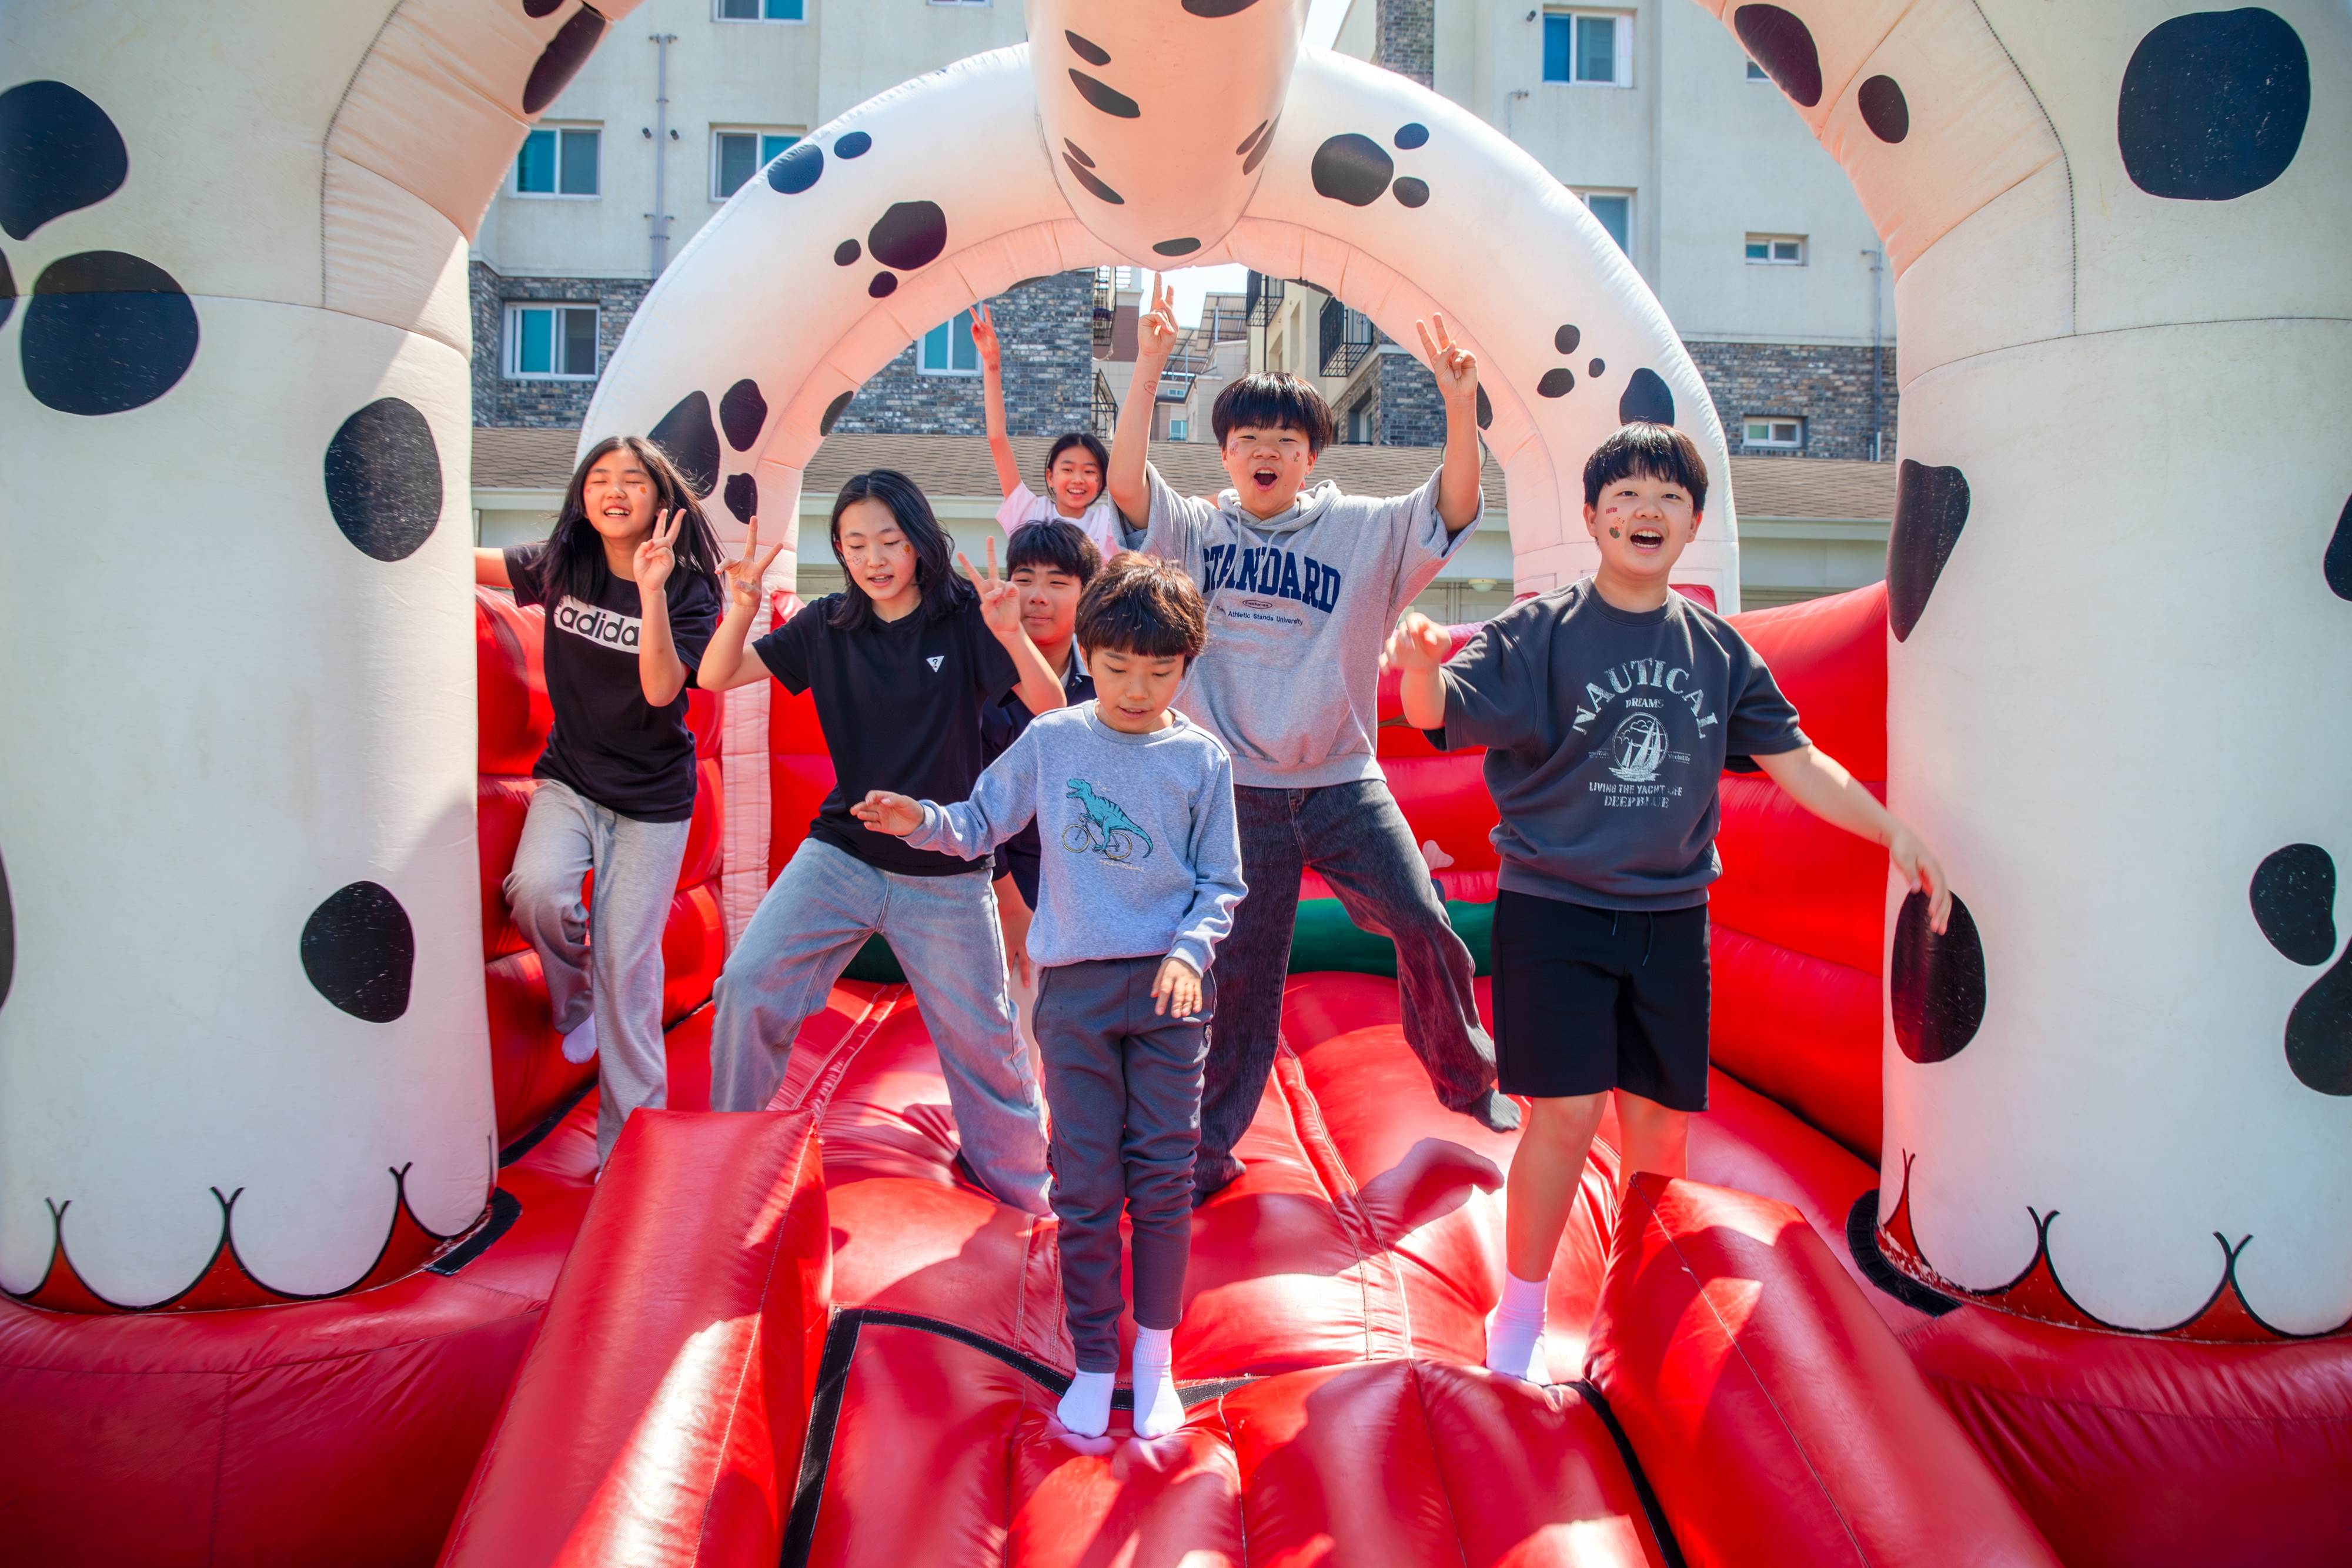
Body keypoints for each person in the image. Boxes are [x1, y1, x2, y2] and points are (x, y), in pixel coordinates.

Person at [1388, 422, 1955, 1385]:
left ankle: (1639, 1309)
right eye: (1625, 497)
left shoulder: (1717, 650)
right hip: (1556, 908)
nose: (1645, 512)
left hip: (1670, 917)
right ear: (1592, 517)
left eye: (1667, 498)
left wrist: (1889, 830)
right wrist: (1419, 661)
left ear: (1693, 521)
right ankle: (1518, 1316)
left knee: (1659, 1127)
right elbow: (1432, 712)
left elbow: (1797, 761)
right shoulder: (1542, 632)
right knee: (1568, 1113)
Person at [1107, 276, 1517, 1206]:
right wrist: (1148, 371)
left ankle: (1468, 1079)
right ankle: (1203, 1154)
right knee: (1242, 981)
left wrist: (1460, 406)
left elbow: (1452, 508)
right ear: (1225, 453)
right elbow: (1128, 489)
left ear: (1310, 456)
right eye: (1249, 438)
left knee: (1423, 919)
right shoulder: (1195, 529)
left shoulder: (1362, 531)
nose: (1266, 452)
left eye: (1286, 441)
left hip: (1341, 780)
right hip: (1234, 793)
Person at [852, 554, 1242, 1440]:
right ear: (1088, 658)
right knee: (1086, 1179)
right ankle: (1095, 1355)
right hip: (1074, 992)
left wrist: (1190, 951)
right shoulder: (1055, 739)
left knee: (1164, 1175)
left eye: (1159, 672)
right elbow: (978, 821)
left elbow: (1221, 881)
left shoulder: (1200, 759)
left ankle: (1155, 1358)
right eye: (1117, 667)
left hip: (1172, 991)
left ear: (1186, 667)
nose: (1136, 689)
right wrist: (922, 820)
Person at [696, 471, 1065, 1216]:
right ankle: (729, 1158)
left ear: (919, 543)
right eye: (856, 543)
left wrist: (1010, 633)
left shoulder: (963, 619)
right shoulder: (827, 625)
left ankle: (1026, 1202)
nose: (874, 558)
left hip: (944, 867)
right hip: (844, 853)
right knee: (746, 985)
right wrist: (740, 608)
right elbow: (716, 673)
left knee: (984, 1043)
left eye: (890, 541)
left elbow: (1052, 708)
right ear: (839, 550)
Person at [473, 435, 725, 1170]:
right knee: (537, 893)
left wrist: (651, 590)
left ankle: (632, 1151)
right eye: (599, 479)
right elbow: (459, 562)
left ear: (661, 499)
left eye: (633, 480)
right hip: (571, 780)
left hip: (652, 802)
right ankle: (575, 1000)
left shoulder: (690, 589)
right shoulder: (563, 561)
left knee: (629, 965)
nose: (614, 491)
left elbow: (661, 689)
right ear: (583, 496)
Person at [982, 521, 1104, 1051]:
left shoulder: (1110, 680)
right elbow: (971, 807)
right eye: (1024, 578)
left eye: (1057, 582)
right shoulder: (978, 680)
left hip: (1087, 883)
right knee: (1017, 1040)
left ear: (1087, 594)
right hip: (999, 882)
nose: (1037, 596)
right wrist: (1010, 906)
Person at [971, 300, 1122, 560]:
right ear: (1050, 477)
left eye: (1089, 472)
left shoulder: (1108, 524)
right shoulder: (1032, 513)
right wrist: (991, 363)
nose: (1078, 479)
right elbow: (997, 438)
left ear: (1101, 481)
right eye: (1068, 469)